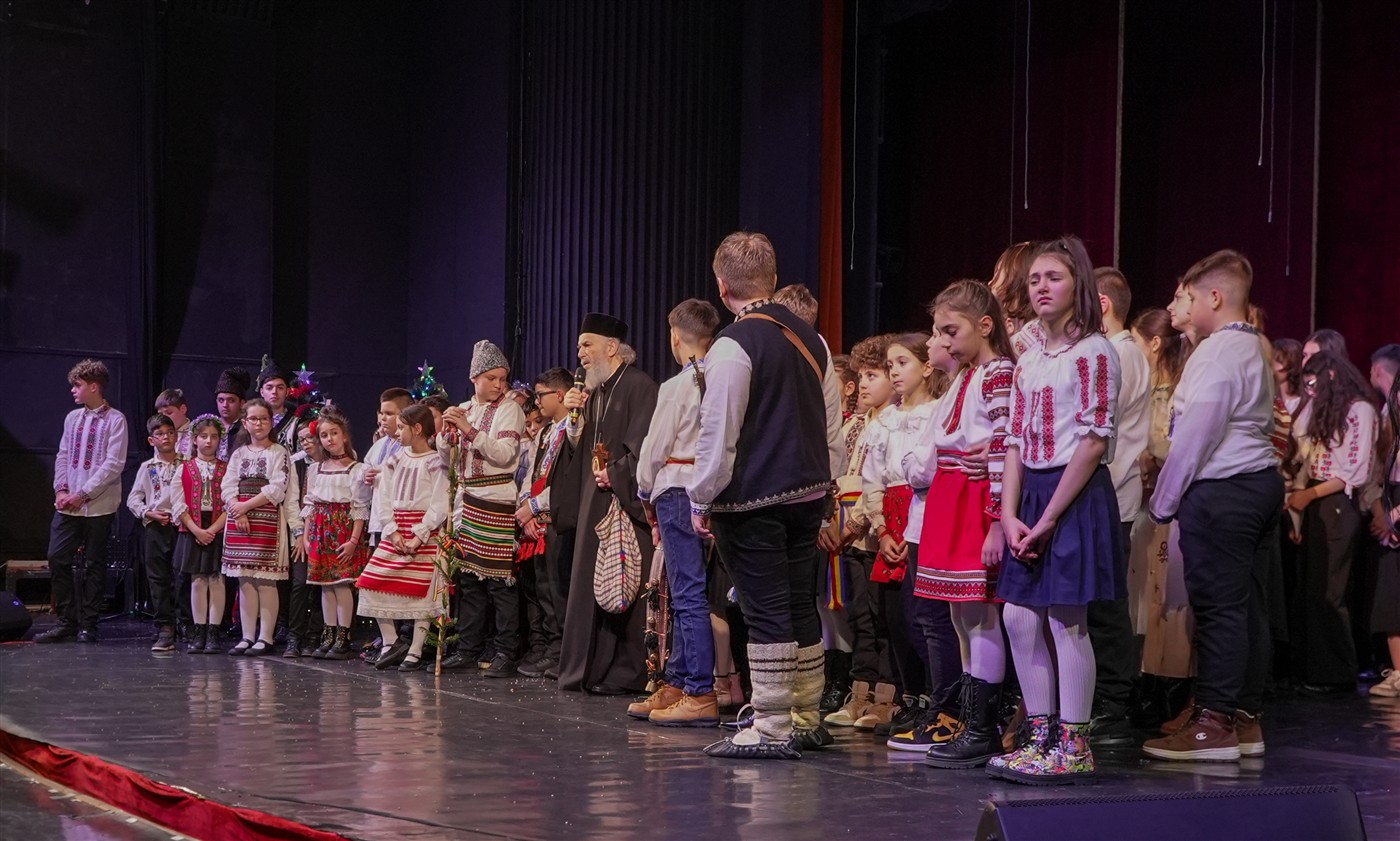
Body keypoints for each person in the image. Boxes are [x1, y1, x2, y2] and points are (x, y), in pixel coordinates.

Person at [690, 231, 843, 760]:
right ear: (773, 280)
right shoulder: (813, 340)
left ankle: (772, 724)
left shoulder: (733, 346)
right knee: (799, 602)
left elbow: (719, 433)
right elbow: (831, 428)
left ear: (722, 286)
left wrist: (701, 497)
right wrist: (826, 486)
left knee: (766, 607)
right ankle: (806, 716)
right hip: (809, 495)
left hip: (752, 498)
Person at [990, 236, 1123, 785]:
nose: (1041, 287)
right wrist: (1008, 513)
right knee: (1019, 616)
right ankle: (1039, 736)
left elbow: (1093, 440)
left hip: (1073, 492)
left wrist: (1048, 519)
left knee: (1067, 620)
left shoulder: (1094, 352)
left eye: (1054, 277)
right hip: (1032, 492)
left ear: (1078, 286)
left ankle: (1074, 744)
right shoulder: (1029, 358)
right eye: (1035, 279)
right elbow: (1015, 439)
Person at [1143, 249, 1282, 763]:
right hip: (1257, 484)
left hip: (1225, 490)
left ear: (1215, 298)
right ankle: (1243, 718)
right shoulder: (1250, 346)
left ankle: (1214, 725)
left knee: (1221, 609)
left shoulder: (1219, 352)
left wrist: (1162, 504)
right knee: (1246, 607)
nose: (1181, 304)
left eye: (1190, 296)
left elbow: (1196, 436)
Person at [908, 280, 1016, 769]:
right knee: (959, 616)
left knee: (979, 613)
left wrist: (995, 521)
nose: (945, 342)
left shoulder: (998, 373)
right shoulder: (970, 375)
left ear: (985, 325)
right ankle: (971, 720)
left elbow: (1004, 443)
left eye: (951, 331)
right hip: (950, 497)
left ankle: (982, 727)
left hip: (974, 503)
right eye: (939, 332)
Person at [629, 299, 722, 726]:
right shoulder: (723, 379)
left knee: (686, 592)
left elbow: (654, 448)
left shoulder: (677, 386)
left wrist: (644, 490)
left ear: (675, 337)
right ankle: (680, 682)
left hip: (676, 490)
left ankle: (699, 689)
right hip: (709, 490)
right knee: (689, 588)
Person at [558, 313, 660, 695]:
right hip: (595, 502)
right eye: (579, 346)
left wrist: (616, 475)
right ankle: (590, 669)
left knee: (627, 586)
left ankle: (627, 672)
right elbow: (580, 449)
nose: (580, 353)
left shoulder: (640, 386)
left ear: (612, 347)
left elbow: (645, 448)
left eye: (587, 344)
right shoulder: (595, 392)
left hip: (625, 503)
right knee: (593, 585)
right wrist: (573, 421)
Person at [866, 333, 954, 746]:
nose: (895, 372)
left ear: (927, 366)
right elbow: (873, 479)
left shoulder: (938, 411)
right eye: (890, 365)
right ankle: (911, 697)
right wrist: (882, 529)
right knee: (896, 618)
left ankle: (939, 698)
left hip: (924, 516)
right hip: (892, 520)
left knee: (925, 615)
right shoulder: (884, 421)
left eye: (903, 363)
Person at [1086, 267, 1153, 745]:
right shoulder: (1113, 351)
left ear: (1102, 303)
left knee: (1106, 604)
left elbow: (1101, 424)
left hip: (1111, 492)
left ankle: (1112, 702)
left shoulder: (1121, 353)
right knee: (1097, 601)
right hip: (1104, 491)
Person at [1288, 351, 1378, 694]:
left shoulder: (1360, 410)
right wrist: (1299, 511)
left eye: (1315, 383)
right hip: (1312, 498)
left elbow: (1355, 472)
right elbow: (1304, 453)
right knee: (1311, 590)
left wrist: (1310, 496)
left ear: (1332, 377)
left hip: (1337, 501)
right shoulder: (1320, 407)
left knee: (1330, 590)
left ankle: (1338, 673)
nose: (1311, 391)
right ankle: (1312, 670)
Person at [822, 335, 899, 728]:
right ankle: (860, 694)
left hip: (875, 530)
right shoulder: (860, 424)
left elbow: (879, 481)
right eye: (862, 375)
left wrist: (857, 522)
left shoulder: (894, 422)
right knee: (858, 617)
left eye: (873, 375)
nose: (864, 384)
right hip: (850, 532)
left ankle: (886, 698)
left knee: (881, 618)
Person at [438, 340, 527, 677]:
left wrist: (468, 429)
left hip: (495, 498)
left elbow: (504, 454)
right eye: (492, 378)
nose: (499, 385)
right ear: (474, 377)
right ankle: (468, 648)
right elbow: (448, 459)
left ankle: (505, 650)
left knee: (499, 580)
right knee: (469, 579)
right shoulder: (464, 408)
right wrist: (446, 437)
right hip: (466, 498)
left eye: (503, 378)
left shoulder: (510, 409)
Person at [1126, 308, 1195, 727]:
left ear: (1153, 343)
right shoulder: (1146, 387)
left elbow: (1171, 445)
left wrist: (1151, 459)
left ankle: (1174, 693)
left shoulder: (1175, 389)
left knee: (1170, 600)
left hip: (1172, 502)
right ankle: (1144, 686)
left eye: (1136, 342)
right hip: (1144, 502)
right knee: (1143, 600)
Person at [37, 360, 129, 645]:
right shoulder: (72, 418)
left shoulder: (116, 420)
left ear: (94, 387)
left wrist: (83, 494)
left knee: (94, 563)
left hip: (99, 506)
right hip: (68, 504)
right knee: (57, 557)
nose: (73, 391)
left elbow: (114, 464)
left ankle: (89, 624)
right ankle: (67, 621)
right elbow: (63, 455)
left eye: (77, 385)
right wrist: (61, 490)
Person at [357, 405, 451, 672]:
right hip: (398, 530)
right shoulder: (394, 460)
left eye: (401, 427)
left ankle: (415, 650)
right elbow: (383, 496)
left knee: (422, 593)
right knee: (370, 582)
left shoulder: (436, 462)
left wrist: (420, 534)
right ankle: (392, 641)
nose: (396, 433)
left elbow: (439, 503)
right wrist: (392, 529)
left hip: (424, 533)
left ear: (417, 429)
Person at [221, 398, 301, 656]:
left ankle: (265, 637)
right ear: (245, 423)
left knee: (265, 580)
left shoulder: (279, 452)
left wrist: (245, 506)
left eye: (264, 418)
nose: (258, 423)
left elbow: (277, 487)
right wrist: (237, 509)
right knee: (245, 580)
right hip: (240, 521)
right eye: (253, 419)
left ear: (271, 422)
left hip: (267, 519)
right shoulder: (239, 453)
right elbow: (228, 485)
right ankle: (247, 636)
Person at [299, 410, 372, 660]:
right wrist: (306, 535)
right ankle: (328, 634)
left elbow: (360, 508)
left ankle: (343, 636)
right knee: (325, 586)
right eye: (324, 435)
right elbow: (310, 505)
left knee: (341, 585)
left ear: (344, 436)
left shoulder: (356, 469)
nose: (329, 439)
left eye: (334, 433)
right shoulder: (315, 469)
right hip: (320, 530)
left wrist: (353, 541)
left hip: (343, 530)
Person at [515, 367, 574, 679]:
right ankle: (551, 647)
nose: (537, 402)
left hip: (559, 518)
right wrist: (527, 506)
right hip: (537, 522)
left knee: (559, 588)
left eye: (541, 395)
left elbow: (567, 480)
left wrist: (535, 506)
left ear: (560, 395)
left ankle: (563, 650)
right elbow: (532, 474)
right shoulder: (545, 434)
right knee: (543, 589)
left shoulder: (574, 430)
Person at [172, 415, 228, 654]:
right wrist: (196, 530)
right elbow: (177, 503)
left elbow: (230, 503)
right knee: (197, 580)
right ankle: (199, 631)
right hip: (193, 527)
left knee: (217, 579)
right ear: (195, 440)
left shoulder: (227, 469)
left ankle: (214, 632)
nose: (208, 441)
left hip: (218, 526)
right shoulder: (184, 468)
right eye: (203, 436)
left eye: (213, 437)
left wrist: (213, 530)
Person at [127, 414, 183, 652]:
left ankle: (186, 623)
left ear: (176, 436)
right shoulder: (147, 467)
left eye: (170, 433)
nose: (166, 438)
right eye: (160, 434)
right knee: (158, 578)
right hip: (156, 526)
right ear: (152, 440)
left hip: (182, 525)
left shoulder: (187, 463)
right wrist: (148, 512)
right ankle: (164, 626)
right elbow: (133, 498)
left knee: (183, 576)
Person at [1367, 345, 1400, 697]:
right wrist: (1382, 510)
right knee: (1391, 591)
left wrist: (1393, 516)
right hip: (1392, 498)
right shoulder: (1387, 410)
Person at [257, 357, 300, 450]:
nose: (274, 392)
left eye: (280, 388)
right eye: (269, 388)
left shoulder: (296, 422)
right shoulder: (252, 420)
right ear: (262, 392)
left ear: (287, 392)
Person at [215, 368, 250, 459]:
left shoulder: (247, 428)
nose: (225, 405)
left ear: (242, 403)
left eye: (231, 400)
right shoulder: (210, 426)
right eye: (221, 400)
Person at [155, 388, 195, 460]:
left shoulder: (196, 434)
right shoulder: (159, 437)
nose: (164, 419)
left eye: (169, 413)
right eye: (160, 415)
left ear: (183, 409)